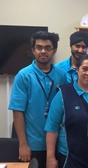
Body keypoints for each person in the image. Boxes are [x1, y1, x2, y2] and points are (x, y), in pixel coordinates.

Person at [8, 31, 67, 168]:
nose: (43, 51)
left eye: (48, 48)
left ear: (54, 50)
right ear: (33, 50)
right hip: (32, 144)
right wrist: (23, 144)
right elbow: (17, 111)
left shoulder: (62, 76)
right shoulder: (24, 76)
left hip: (56, 143)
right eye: (39, 47)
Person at [45, 54, 88, 168]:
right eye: (84, 69)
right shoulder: (63, 94)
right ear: (77, 70)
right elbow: (52, 127)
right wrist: (50, 157)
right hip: (69, 158)